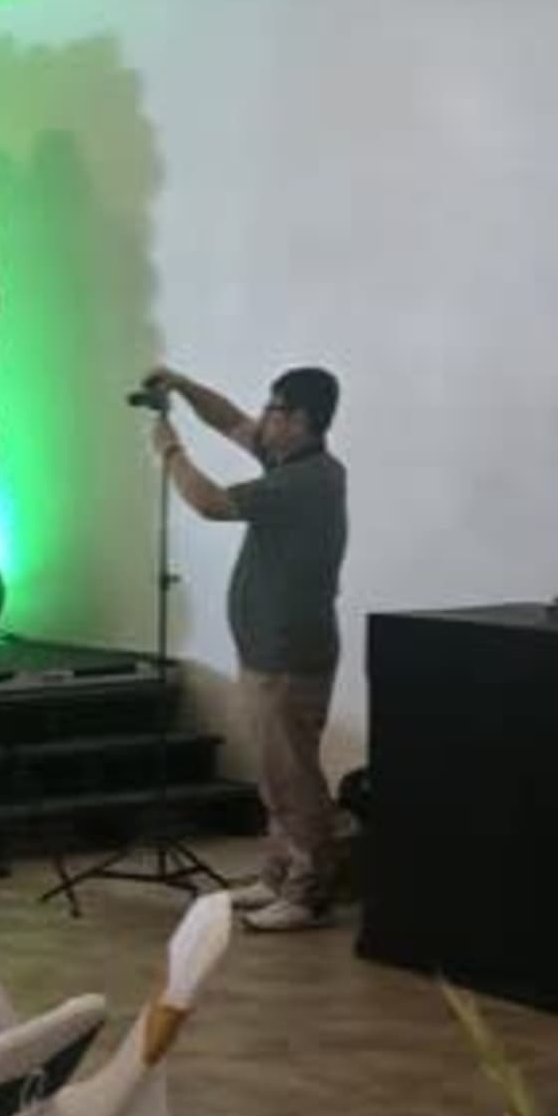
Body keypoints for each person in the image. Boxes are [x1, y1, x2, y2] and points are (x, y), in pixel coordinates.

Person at [147, 364, 348, 929]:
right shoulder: (288, 459)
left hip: (290, 653)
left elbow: (208, 502)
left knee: (294, 775)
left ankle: (308, 893)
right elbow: (229, 419)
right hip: (264, 649)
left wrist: (169, 451)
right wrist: (183, 385)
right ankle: (278, 875)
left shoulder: (307, 481)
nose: (262, 419)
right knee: (272, 771)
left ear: (303, 421)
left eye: (275, 410)